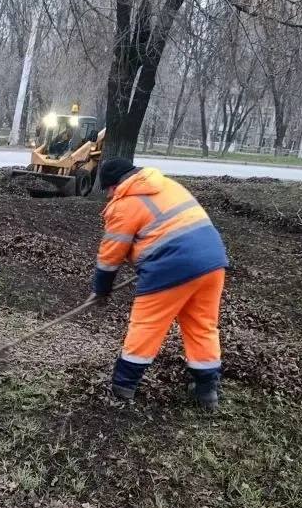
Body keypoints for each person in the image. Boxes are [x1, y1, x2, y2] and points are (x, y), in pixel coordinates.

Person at [92, 158, 229, 410]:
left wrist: (101, 289)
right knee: (202, 326)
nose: (109, 196)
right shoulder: (168, 186)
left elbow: (110, 257)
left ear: (113, 186)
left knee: (146, 326)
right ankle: (207, 391)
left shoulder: (124, 204)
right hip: (213, 262)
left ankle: (123, 386)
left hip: (170, 268)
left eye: (108, 190)